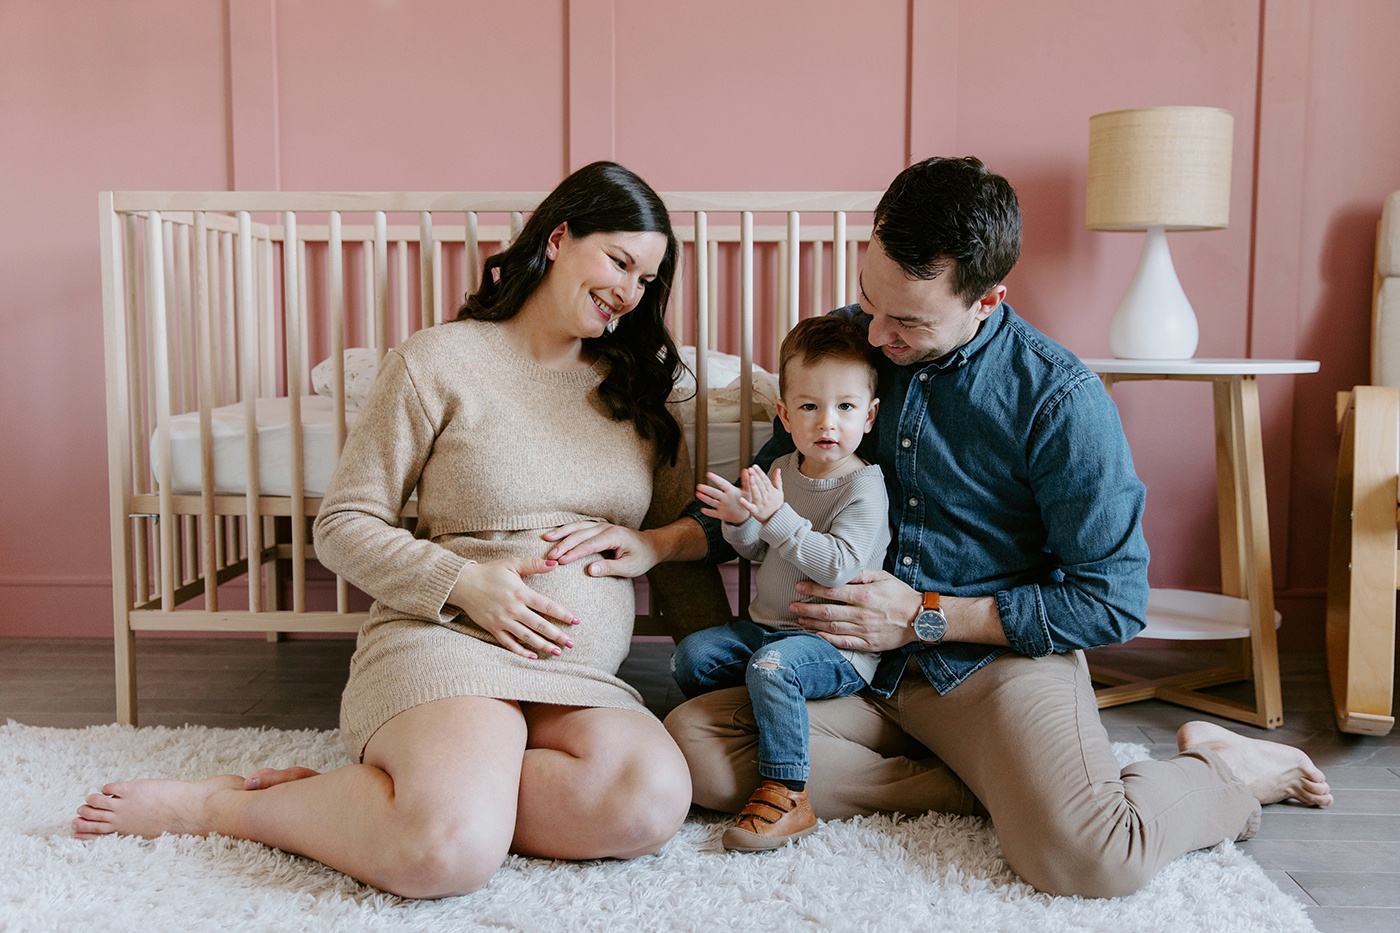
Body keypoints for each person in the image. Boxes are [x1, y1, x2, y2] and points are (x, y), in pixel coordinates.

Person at [661, 156, 1334, 897]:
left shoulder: (1059, 398)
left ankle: (1219, 771)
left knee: (1090, 855)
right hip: (850, 662)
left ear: (987, 300)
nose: (876, 333)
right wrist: (654, 542)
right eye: (869, 299)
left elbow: (1111, 599)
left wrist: (924, 616)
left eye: (909, 321)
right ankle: (988, 785)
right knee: (692, 748)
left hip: (986, 661)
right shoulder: (852, 347)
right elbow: (770, 484)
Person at [71, 161, 712, 899]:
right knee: (445, 854)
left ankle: (376, 796)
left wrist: (700, 637)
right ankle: (229, 804)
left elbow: (681, 540)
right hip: (449, 642)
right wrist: (466, 583)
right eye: (620, 261)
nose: (630, 292)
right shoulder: (438, 360)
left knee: (650, 801)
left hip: (576, 675)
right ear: (560, 237)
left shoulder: (638, 391)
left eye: (647, 279)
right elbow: (344, 523)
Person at [671, 316, 890, 851]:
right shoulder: (783, 472)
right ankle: (775, 711)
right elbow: (755, 549)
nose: (827, 423)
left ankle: (787, 790)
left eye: (845, 407)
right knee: (692, 656)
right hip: (767, 628)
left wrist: (776, 518)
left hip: (831, 645)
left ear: (870, 414)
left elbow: (837, 564)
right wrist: (738, 520)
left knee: (772, 667)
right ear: (785, 415)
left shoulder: (866, 487)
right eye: (810, 407)